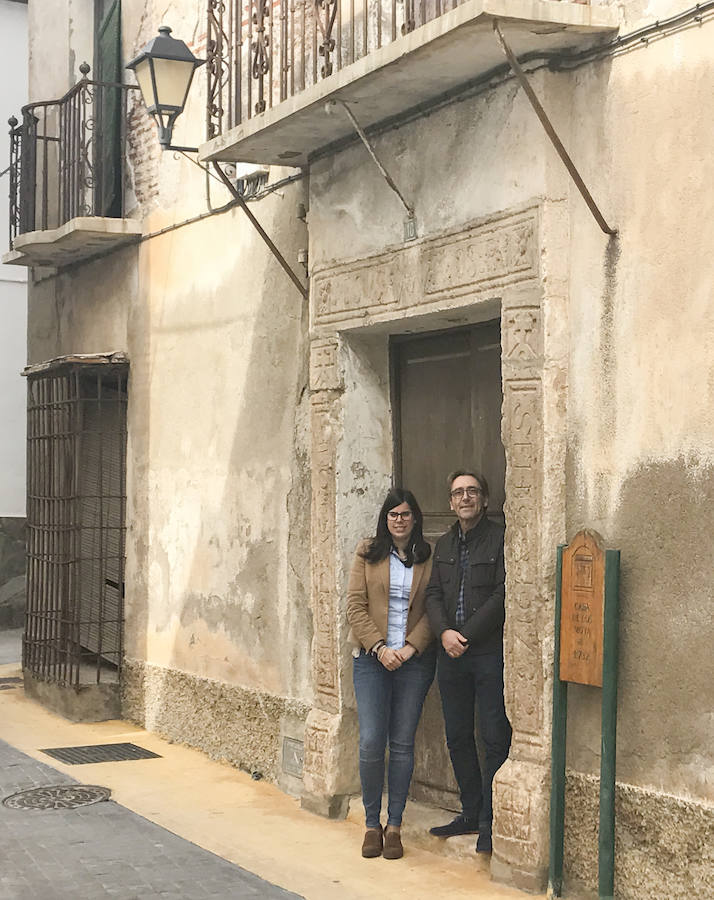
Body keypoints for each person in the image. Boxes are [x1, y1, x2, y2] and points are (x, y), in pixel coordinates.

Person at [347, 487, 436, 860]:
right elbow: (355, 605)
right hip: (372, 660)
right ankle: (371, 823)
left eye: (405, 514)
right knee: (371, 741)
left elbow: (435, 607)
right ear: (385, 520)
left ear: (415, 518)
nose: (399, 520)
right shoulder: (368, 552)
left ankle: (395, 825)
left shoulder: (428, 556)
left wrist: (410, 648)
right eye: (393, 514)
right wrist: (381, 649)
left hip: (412, 662)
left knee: (401, 743)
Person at [425, 470, 511, 854]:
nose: (465, 498)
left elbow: (502, 594)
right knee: (458, 736)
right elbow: (432, 595)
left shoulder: (500, 538)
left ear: (485, 500)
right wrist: (444, 633)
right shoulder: (442, 545)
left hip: (486, 652)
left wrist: (467, 635)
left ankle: (491, 822)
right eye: (458, 493)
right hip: (451, 654)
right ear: (450, 502)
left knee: (494, 736)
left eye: (472, 491)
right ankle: (470, 811)